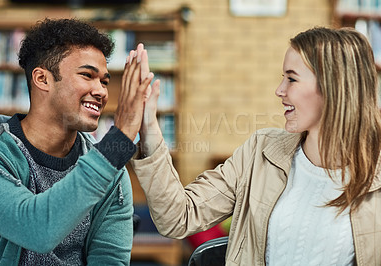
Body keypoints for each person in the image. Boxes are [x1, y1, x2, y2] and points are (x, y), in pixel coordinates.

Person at [130, 27, 381, 265]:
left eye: (291, 79)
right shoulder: (261, 152)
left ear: (333, 88)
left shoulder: (376, 176)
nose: (279, 90)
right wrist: (150, 128)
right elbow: (177, 218)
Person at [0, 18, 153, 265]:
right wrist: (121, 136)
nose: (102, 91)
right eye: (87, 75)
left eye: (104, 81)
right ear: (42, 79)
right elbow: (36, 229)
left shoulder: (111, 175)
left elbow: (110, 260)